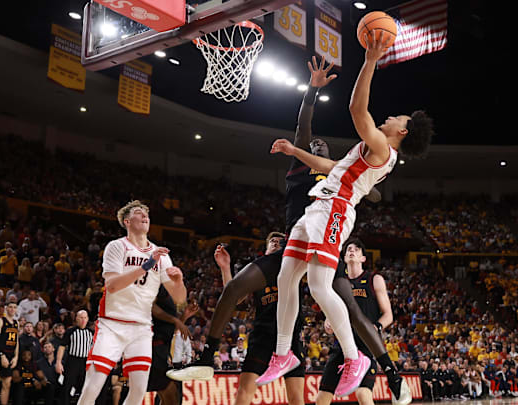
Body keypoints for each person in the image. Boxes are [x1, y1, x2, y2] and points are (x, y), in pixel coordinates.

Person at [257, 32, 434, 398]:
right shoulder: (373, 150)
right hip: (317, 206)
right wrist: (295, 150)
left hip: (335, 210)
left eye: (396, 117)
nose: (389, 115)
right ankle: (282, 352)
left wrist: (370, 60)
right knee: (288, 276)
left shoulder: (383, 145)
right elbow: (333, 165)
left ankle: (355, 358)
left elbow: (357, 110)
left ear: (401, 131)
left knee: (320, 286)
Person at [167, 235, 306, 405]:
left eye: (280, 241)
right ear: (266, 248)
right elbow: (234, 297)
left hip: (291, 336)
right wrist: (226, 268)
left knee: (296, 397)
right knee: (244, 391)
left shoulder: (295, 266)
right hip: (263, 335)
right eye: (272, 241)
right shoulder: (258, 271)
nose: (277, 242)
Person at [77, 201, 186, 405]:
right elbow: (112, 285)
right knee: (93, 385)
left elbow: (180, 299)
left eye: (147, 213)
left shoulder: (160, 254)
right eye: (139, 213)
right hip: (112, 323)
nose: (145, 216)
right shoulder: (117, 247)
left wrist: (179, 283)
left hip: (142, 328)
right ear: (127, 221)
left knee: (138, 391)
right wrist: (146, 265)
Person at [317, 238, 392, 405]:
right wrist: (328, 322)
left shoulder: (374, 279)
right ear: (343, 258)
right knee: (322, 397)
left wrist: (376, 326)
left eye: (357, 250)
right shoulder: (335, 284)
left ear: (363, 259)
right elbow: (331, 313)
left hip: (366, 345)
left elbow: (388, 315)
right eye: (349, 249)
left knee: (363, 394)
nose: (352, 251)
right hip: (342, 346)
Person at [56, 310, 93, 405]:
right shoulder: (70, 331)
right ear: (76, 318)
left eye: (85, 317)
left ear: (88, 319)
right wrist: (59, 362)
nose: (83, 320)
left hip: (86, 362)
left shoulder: (91, 332)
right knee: (67, 387)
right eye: (81, 317)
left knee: (85, 387)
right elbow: (62, 346)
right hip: (72, 361)